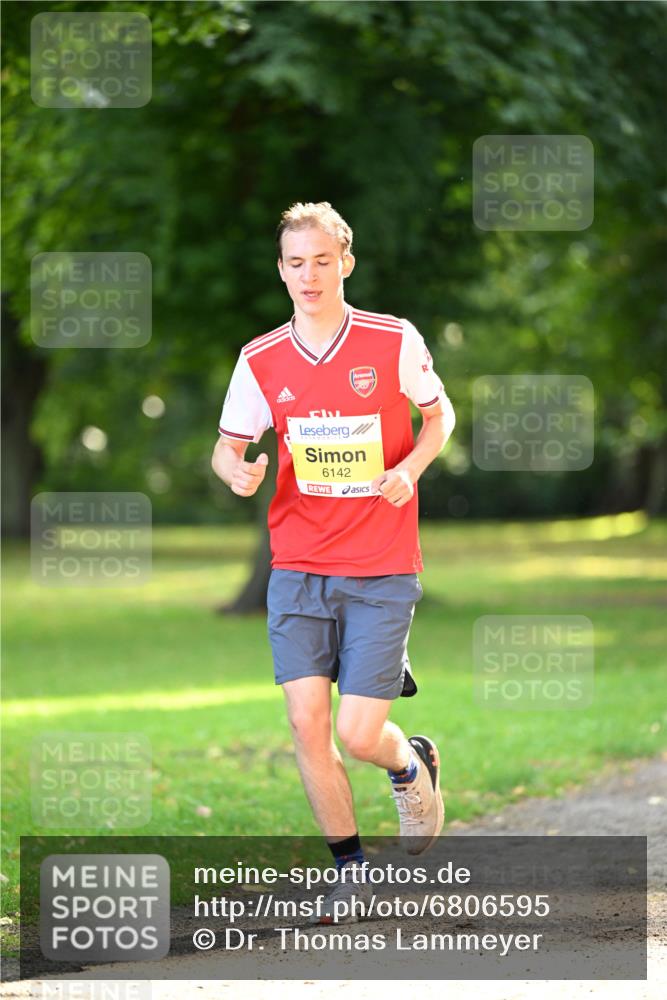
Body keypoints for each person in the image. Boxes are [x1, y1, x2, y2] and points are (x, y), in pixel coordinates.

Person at [211, 201, 456, 924]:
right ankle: (350, 870)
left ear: (345, 262)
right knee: (305, 721)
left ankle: (408, 763)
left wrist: (409, 468)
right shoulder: (260, 358)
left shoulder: (392, 339)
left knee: (357, 733)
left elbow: (439, 416)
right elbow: (227, 445)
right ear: (281, 270)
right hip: (298, 564)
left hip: (381, 563)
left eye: (322, 260)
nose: (309, 275)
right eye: (296, 262)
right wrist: (235, 470)